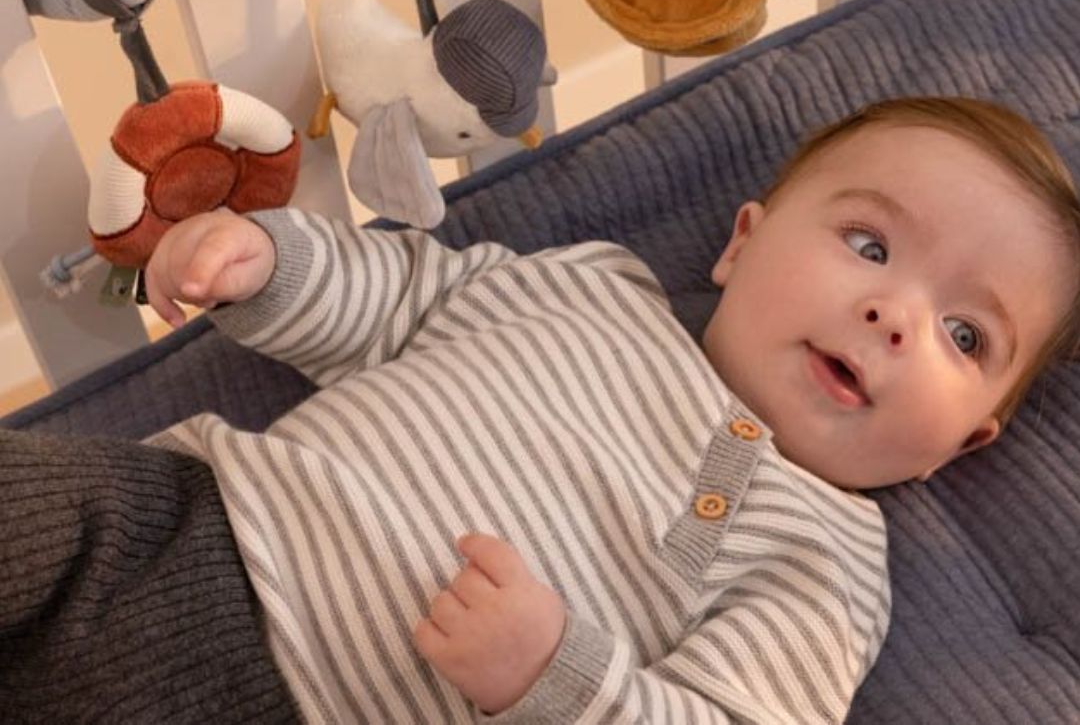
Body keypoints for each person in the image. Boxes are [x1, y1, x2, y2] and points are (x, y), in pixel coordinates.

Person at [7, 96, 1078, 724]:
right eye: (869, 244)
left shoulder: (827, 566)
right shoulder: (591, 286)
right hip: (187, 530)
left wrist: (554, 675)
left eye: (965, 336)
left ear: (961, 443)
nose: (896, 316)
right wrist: (268, 264)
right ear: (741, 244)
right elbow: (397, 299)